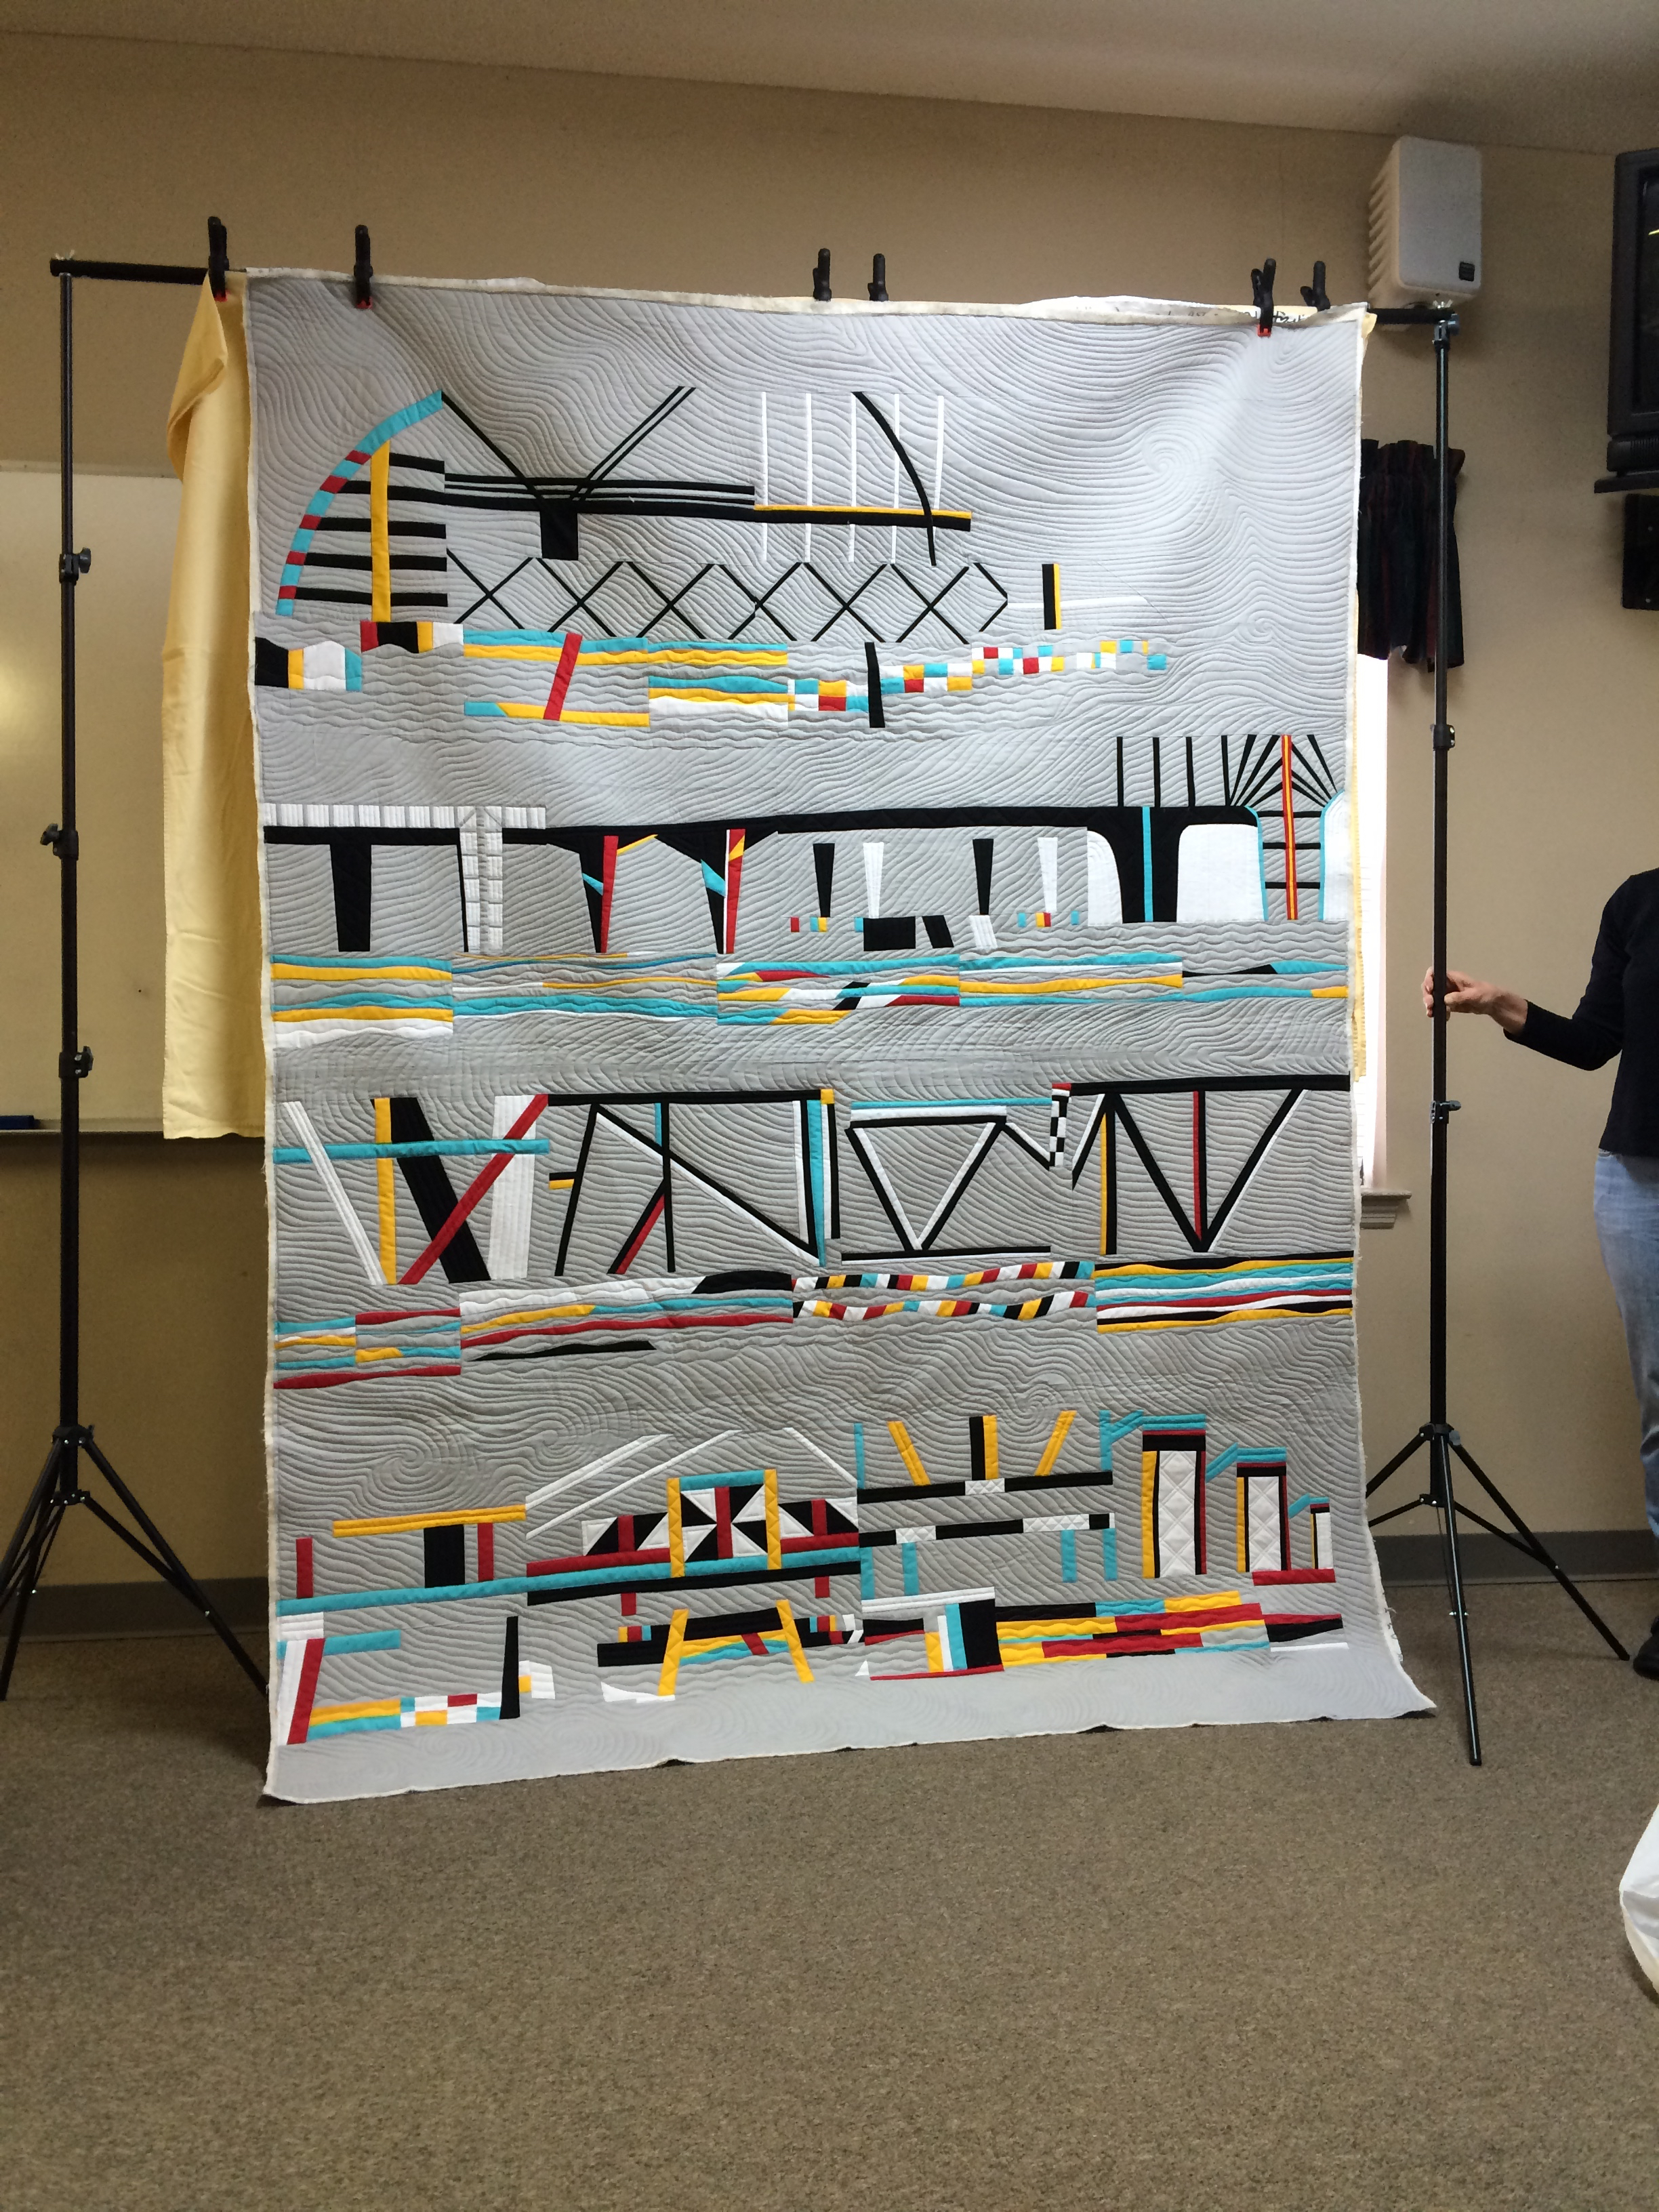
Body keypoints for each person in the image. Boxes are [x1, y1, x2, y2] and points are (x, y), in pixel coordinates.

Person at [1429, 867, 1659, 1681]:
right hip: (1638, 1179)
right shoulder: (1638, 901)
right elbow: (1596, 1041)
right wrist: (1501, 1004)